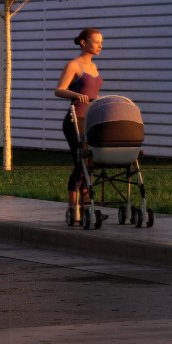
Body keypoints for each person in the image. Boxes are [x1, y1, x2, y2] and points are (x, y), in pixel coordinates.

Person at [57, 29, 106, 216]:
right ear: (84, 43)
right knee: (80, 163)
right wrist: (77, 96)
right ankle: (73, 208)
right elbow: (59, 90)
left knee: (91, 163)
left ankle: (87, 207)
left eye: (101, 42)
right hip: (75, 120)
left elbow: (93, 93)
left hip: (91, 120)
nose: (100, 45)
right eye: (96, 42)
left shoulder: (93, 67)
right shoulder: (74, 65)